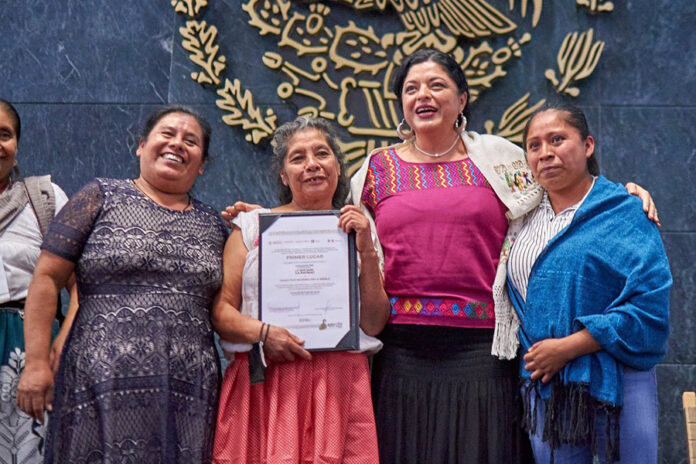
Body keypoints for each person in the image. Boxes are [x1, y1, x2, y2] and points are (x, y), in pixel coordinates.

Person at [344, 49, 658, 464]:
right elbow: (337, 232)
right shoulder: (372, 171)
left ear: (462, 100)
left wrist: (622, 194)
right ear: (401, 104)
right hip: (402, 356)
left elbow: (565, 187)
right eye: (411, 88)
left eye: (437, 85)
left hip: (485, 353)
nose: (424, 95)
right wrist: (258, 221)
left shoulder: (501, 160)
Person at [16, 105, 228, 463]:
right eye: (167, 134)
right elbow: (47, 278)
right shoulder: (100, 196)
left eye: (190, 141)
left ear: (202, 163)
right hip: (97, 383)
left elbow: (235, 299)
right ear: (141, 146)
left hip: (187, 394)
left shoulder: (215, 225)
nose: (177, 144)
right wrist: (36, 363)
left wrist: (260, 227)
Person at [212, 116, 389, 463]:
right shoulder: (251, 228)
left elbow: (374, 324)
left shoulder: (361, 232)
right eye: (297, 158)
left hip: (337, 386)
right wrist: (265, 333)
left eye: (321, 154)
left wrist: (366, 250)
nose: (312, 165)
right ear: (283, 175)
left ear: (337, 166)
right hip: (265, 380)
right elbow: (221, 312)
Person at [506, 104, 671, 463]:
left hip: (620, 374)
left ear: (588, 145)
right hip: (547, 383)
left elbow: (649, 306)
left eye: (557, 139)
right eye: (534, 146)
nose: (545, 153)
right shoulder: (519, 218)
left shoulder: (625, 211)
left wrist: (569, 347)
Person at [0, 99, 75, 464]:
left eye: (5, 134)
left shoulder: (43, 199)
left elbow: (80, 288)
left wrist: (56, 348)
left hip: (25, 348)